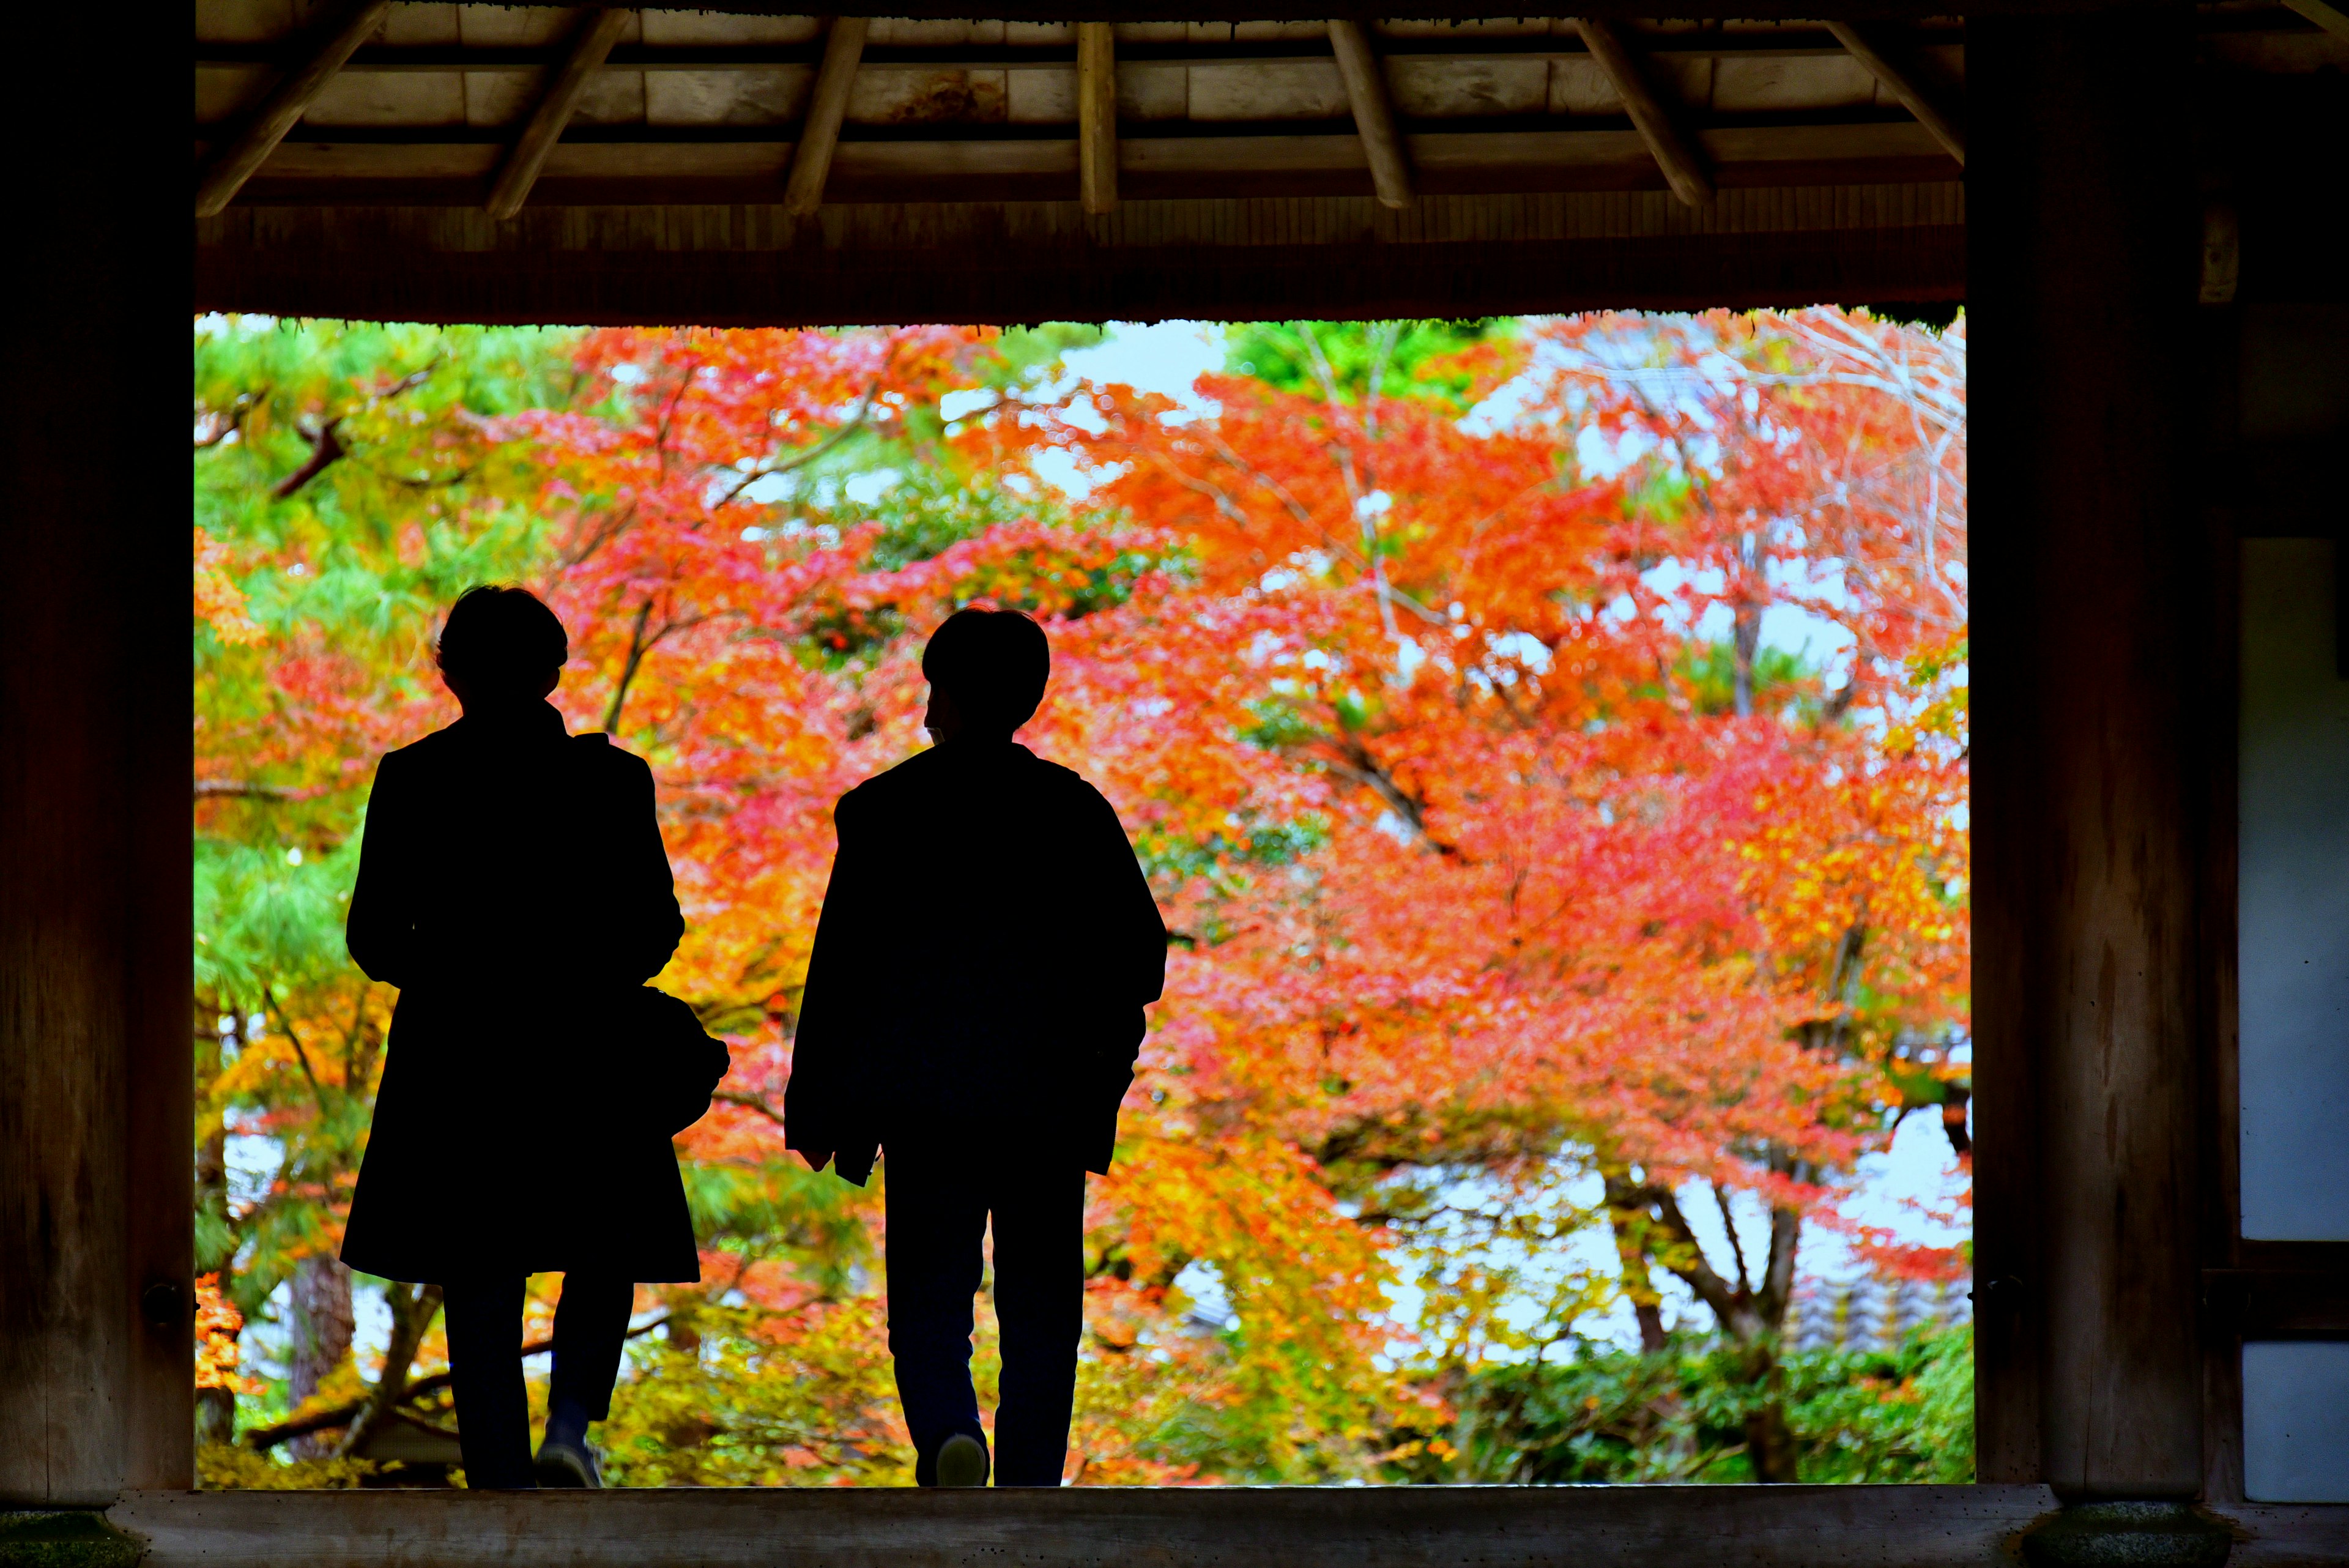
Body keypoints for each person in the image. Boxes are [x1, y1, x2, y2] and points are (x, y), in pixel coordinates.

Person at [785, 607, 1168, 1488]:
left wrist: (816, 1102)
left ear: (948, 696)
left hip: (924, 1099)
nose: (925, 713)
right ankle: (1031, 1478)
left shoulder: (884, 814)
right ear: (1030, 697)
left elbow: (840, 970)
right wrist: (1095, 1056)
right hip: (1046, 1099)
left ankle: (950, 1432)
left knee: (929, 1295)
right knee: (1040, 1305)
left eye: (933, 692)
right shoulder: (1075, 812)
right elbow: (1140, 959)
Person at [341, 585, 696, 1488]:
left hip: (458, 1054)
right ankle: (570, 1428)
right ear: (552, 670)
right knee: (601, 1235)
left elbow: (374, 939)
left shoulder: (414, 777)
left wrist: (457, 965)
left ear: (450, 672)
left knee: (480, 1259)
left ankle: (498, 1467)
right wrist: (580, 967)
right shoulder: (614, 782)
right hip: (591, 1044)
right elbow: (656, 928)